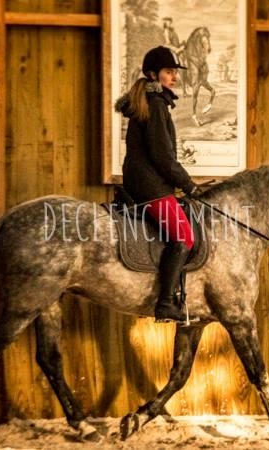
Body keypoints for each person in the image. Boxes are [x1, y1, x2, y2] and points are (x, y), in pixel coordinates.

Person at [114, 46, 200, 323]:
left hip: (143, 182)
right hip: (151, 187)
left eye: (175, 72)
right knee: (184, 237)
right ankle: (165, 303)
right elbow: (163, 157)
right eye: (169, 72)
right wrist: (189, 185)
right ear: (153, 75)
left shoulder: (152, 102)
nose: (174, 77)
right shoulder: (156, 105)